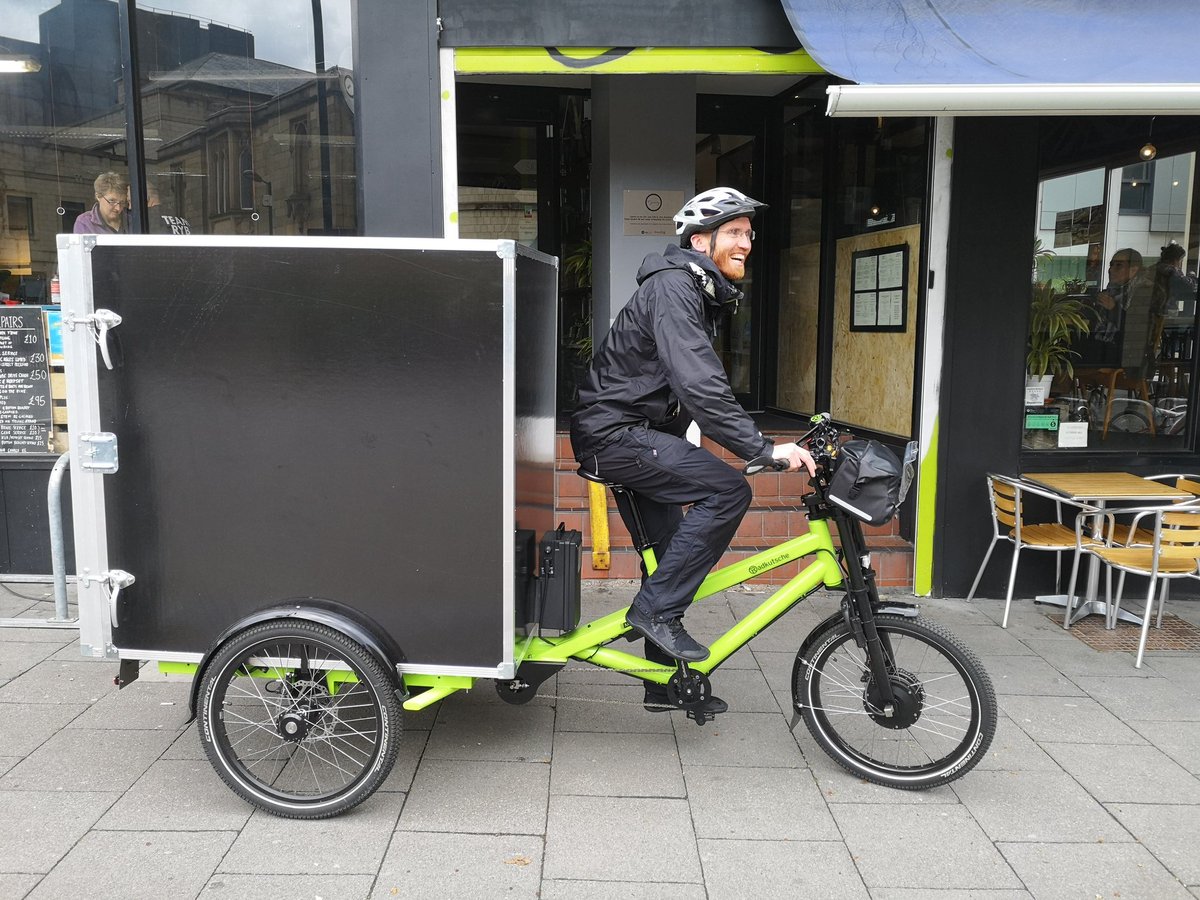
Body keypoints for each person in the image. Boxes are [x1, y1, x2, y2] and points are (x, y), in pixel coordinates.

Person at [570, 187, 815, 713]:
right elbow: (699, 384)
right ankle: (654, 614)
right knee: (727, 490)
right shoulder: (674, 287)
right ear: (700, 240)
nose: (746, 243)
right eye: (734, 233)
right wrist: (762, 449)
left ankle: (661, 682)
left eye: (749, 234)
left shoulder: (696, 290)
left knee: (666, 553)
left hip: (628, 433)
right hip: (615, 434)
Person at [1079, 248, 1143, 366]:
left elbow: (1136, 330)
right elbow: (1096, 323)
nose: (1111, 270)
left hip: (1122, 351)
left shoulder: (1141, 293)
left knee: (1068, 350)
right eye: (1111, 265)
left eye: (1118, 266)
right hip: (1102, 344)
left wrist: (1114, 308)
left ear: (1133, 270)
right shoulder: (1113, 290)